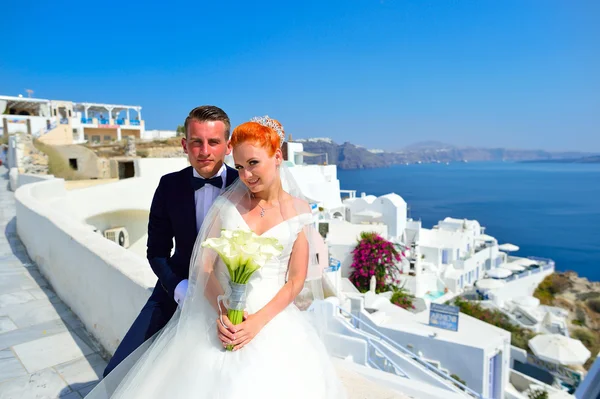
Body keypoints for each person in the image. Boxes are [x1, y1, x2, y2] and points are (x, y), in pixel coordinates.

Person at [89, 117, 346, 398]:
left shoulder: (296, 209)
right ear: (185, 145)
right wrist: (221, 308)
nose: (246, 175)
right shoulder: (222, 199)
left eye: (253, 163)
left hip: (270, 316)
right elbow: (192, 261)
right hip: (196, 297)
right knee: (122, 376)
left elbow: (296, 280)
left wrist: (257, 322)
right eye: (240, 166)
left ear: (277, 157)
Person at [102, 105, 239, 377]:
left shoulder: (244, 185)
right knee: (119, 370)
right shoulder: (168, 186)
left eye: (213, 142)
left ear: (228, 145)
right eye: (196, 142)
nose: (205, 151)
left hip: (231, 293)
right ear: (184, 145)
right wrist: (179, 287)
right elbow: (156, 252)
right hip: (175, 285)